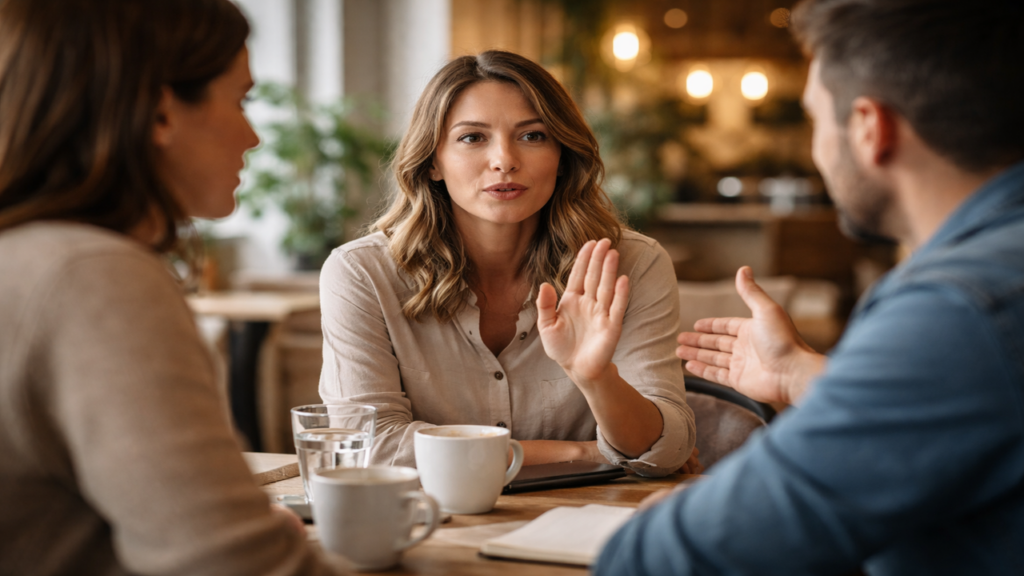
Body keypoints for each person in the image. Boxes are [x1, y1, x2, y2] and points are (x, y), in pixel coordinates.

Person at [596, 0, 1024, 574]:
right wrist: (799, 373)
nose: (820, 149)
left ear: (871, 129)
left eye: (816, 118)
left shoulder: (959, 310)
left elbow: (678, 555)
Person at [0, 1, 342, 574]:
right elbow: (233, 565)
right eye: (241, 100)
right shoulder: (91, 278)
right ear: (160, 112)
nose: (253, 137)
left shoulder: (30, 258)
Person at [318, 50, 699, 475]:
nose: (504, 160)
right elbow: (369, 448)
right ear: (431, 162)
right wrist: (582, 453)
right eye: (472, 138)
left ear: (562, 157)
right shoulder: (361, 274)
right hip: (429, 525)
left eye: (532, 136)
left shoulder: (632, 264)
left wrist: (596, 378)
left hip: (586, 524)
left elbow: (664, 452)